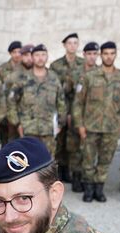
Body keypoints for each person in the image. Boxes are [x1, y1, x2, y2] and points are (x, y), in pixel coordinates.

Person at [73, 41, 120, 203]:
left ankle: (99, 188)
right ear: (101, 55)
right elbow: (78, 103)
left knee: (105, 159)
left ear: (116, 55)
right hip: (91, 126)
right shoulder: (89, 76)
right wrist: (80, 125)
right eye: (106, 53)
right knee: (88, 159)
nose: (109, 56)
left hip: (112, 127)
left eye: (112, 53)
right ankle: (89, 188)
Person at [7, 44, 66, 155]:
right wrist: (17, 124)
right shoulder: (23, 79)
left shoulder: (54, 78)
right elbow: (12, 102)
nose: (40, 58)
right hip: (28, 130)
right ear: (32, 57)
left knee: (47, 165)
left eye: (43, 55)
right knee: (28, 164)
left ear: (47, 57)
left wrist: (60, 125)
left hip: (48, 130)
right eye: (37, 55)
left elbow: (61, 102)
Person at [50, 33, 85, 183]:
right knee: (59, 141)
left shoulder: (83, 65)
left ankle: (72, 170)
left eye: (75, 43)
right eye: (69, 43)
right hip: (60, 108)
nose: (72, 46)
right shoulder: (56, 65)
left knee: (74, 141)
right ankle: (61, 169)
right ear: (64, 45)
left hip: (77, 109)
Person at [67, 41, 100, 192]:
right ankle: (76, 176)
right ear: (84, 55)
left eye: (95, 54)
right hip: (76, 116)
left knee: (90, 150)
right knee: (76, 148)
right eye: (89, 54)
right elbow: (67, 95)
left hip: (95, 118)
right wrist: (68, 114)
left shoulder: (101, 73)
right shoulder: (75, 73)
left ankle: (89, 178)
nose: (92, 57)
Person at [0, 40, 23, 144]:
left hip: (20, 111)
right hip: (5, 112)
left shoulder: (25, 69)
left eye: (19, 52)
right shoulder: (1, 69)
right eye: (14, 52)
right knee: (6, 141)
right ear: (10, 53)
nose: (17, 55)